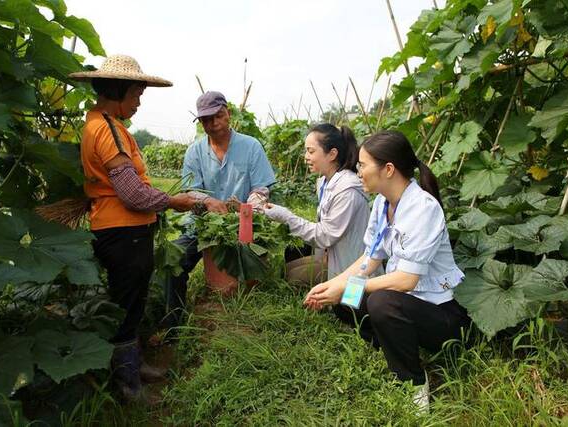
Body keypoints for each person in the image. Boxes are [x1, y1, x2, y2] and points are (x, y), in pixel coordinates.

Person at [303, 130, 470, 412]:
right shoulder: (382, 203)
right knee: (346, 300)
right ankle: (394, 343)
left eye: (363, 166)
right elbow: (370, 258)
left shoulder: (423, 208)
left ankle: (415, 383)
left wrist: (347, 286)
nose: (358, 173)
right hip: (404, 303)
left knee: (379, 301)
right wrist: (333, 287)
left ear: (388, 169)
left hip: (440, 316)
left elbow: (406, 280)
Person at [69, 54, 197, 402]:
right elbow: (132, 193)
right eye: (137, 95)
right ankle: (128, 386)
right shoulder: (106, 129)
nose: (139, 103)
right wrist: (174, 201)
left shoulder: (104, 123)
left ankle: (134, 365)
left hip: (126, 230)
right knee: (126, 305)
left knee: (134, 301)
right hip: (122, 231)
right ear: (120, 90)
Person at [163, 91, 276, 331]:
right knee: (175, 259)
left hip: (244, 223)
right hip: (203, 225)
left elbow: (262, 187)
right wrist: (207, 202)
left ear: (228, 114)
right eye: (206, 120)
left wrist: (250, 203)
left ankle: (248, 305)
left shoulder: (250, 146)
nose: (213, 124)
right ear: (200, 123)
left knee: (252, 261)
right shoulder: (194, 152)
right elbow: (190, 191)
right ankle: (173, 324)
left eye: (218, 116)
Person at [263, 124, 370, 285]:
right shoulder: (325, 182)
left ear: (332, 154)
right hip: (332, 254)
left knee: (294, 278)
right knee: (289, 270)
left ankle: (342, 299)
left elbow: (325, 235)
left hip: (350, 266)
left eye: (311, 151)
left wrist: (287, 218)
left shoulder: (347, 190)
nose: (306, 156)